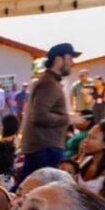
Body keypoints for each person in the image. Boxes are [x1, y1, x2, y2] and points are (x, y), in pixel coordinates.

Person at [19, 43, 81, 184]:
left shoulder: (47, 82)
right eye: (70, 58)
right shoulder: (49, 84)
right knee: (49, 189)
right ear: (59, 60)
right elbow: (40, 116)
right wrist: (68, 119)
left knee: (25, 187)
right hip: (46, 147)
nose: (72, 63)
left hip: (42, 146)